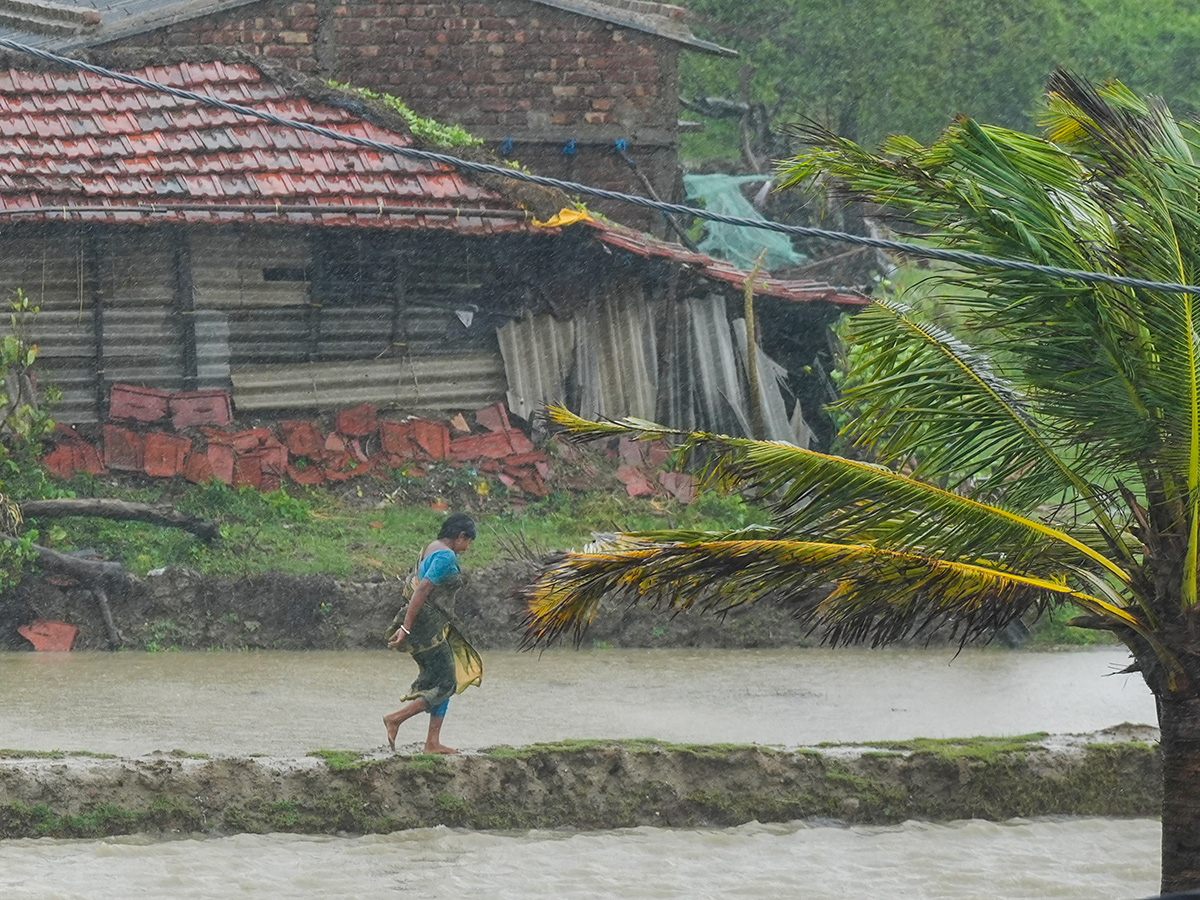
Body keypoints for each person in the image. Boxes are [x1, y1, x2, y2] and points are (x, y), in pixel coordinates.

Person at [384, 512, 483, 754]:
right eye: (468, 542)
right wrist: (406, 628)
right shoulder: (446, 557)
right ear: (460, 536)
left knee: (443, 678)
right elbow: (423, 590)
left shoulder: (432, 547)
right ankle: (396, 719)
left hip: (428, 623)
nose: (467, 548)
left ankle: (432, 743)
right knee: (447, 683)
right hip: (427, 627)